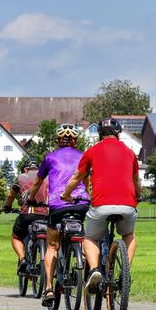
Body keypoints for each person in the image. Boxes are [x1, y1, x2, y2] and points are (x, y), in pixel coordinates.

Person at [61, 118, 142, 292]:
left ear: (100, 134)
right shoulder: (129, 152)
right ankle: (125, 272)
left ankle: (95, 270)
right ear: (118, 133)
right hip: (127, 205)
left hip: (101, 205)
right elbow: (136, 180)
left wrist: (66, 194)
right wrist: (139, 195)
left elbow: (77, 177)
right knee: (129, 234)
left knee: (90, 238)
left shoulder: (92, 151)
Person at [28, 124, 90, 307]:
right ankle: (84, 268)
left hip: (57, 204)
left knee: (52, 246)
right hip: (80, 203)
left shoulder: (50, 157)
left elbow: (38, 181)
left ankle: (48, 288)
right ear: (75, 141)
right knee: (84, 235)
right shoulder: (82, 156)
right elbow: (86, 181)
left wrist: (31, 199)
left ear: (57, 141)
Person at [4, 159, 48, 276]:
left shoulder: (21, 177)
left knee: (16, 237)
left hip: (26, 214)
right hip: (44, 215)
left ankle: (23, 259)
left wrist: (7, 207)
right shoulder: (47, 177)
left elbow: (11, 195)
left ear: (25, 169)